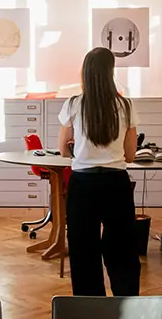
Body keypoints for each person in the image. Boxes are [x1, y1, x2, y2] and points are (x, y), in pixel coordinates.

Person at [60, 46, 140, 297]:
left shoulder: (74, 104)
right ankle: (125, 305)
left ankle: (90, 308)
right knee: (122, 249)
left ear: (85, 73)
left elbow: (62, 150)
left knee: (83, 251)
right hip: (116, 183)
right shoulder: (125, 106)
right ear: (110, 72)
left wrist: (80, 147)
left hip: (83, 184)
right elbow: (130, 155)